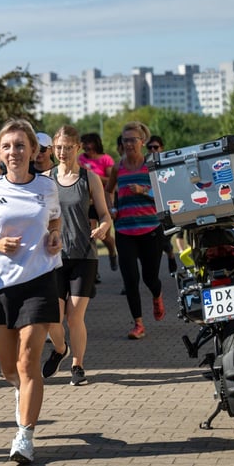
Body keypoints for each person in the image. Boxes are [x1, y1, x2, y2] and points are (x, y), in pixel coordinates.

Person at [0, 119, 62, 465]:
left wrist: (54, 236)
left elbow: (54, 221)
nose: (14, 152)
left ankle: (25, 435)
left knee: (28, 362)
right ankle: (22, 394)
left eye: (20, 145)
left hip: (39, 281)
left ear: (33, 151)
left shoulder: (47, 188)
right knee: (10, 370)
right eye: (7, 146)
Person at [42, 126, 112, 386]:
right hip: (53, 256)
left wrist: (104, 227)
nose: (62, 152)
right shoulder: (46, 179)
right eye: (58, 147)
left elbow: (105, 214)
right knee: (52, 318)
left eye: (67, 147)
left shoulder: (89, 178)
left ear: (78, 148)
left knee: (74, 317)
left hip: (84, 255)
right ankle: (60, 349)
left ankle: (78, 365)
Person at [105, 122, 166, 340]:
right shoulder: (117, 167)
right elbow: (108, 190)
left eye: (133, 140)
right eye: (125, 140)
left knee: (150, 278)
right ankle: (138, 324)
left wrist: (143, 190)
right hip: (124, 230)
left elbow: (164, 191)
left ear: (142, 142)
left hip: (150, 229)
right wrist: (111, 208)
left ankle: (157, 295)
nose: (128, 144)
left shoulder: (151, 165)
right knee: (130, 279)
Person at [79, 133, 118, 272]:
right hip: (86, 202)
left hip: (101, 201)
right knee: (90, 235)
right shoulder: (81, 159)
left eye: (88, 145)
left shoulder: (106, 159)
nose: (85, 148)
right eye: (84, 146)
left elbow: (111, 180)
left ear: (95, 144)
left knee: (105, 237)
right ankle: (93, 271)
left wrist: (93, 176)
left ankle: (112, 252)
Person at [145, 135, 178, 274]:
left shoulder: (166, 164)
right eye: (150, 147)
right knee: (154, 243)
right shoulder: (143, 164)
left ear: (161, 148)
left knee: (163, 240)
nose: (153, 150)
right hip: (149, 208)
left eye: (156, 147)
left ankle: (170, 254)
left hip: (166, 207)